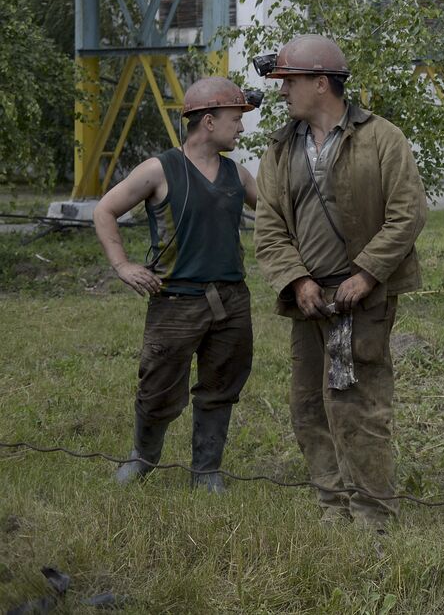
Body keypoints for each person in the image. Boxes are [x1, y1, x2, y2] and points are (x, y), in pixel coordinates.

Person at [252, 35, 427, 530]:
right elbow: (269, 226)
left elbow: (408, 214)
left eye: (290, 81)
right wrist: (297, 281)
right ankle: (334, 510)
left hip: (361, 299)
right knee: (308, 406)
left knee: (359, 408)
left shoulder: (383, 139)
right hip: (308, 300)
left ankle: (373, 519)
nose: (282, 91)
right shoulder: (281, 148)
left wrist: (368, 272)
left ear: (321, 83)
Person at [93, 77, 259, 493]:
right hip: (175, 302)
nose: (241, 128)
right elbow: (105, 210)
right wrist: (122, 265)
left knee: (222, 386)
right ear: (208, 121)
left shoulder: (238, 174)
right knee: (158, 387)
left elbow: (278, 211)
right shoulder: (159, 169)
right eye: (235, 119)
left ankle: (206, 471)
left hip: (231, 301)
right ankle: (143, 459)